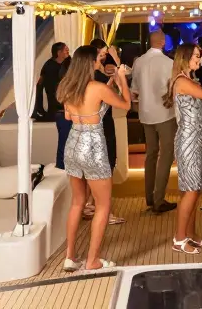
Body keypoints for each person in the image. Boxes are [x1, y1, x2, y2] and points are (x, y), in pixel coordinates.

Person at [57, 46, 131, 271]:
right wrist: (121, 81)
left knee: (78, 202)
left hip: (73, 143)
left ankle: (70, 257)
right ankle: (93, 260)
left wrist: (109, 85)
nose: (100, 62)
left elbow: (70, 115)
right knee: (103, 205)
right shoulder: (97, 87)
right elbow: (126, 105)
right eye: (98, 60)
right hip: (94, 147)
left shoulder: (67, 88)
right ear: (89, 62)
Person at [166, 44, 202, 254]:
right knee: (191, 190)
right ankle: (179, 238)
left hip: (196, 138)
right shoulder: (181, 81)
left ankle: (191, 233)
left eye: (200, 56)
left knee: (196, 188)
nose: (199, 59)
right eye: (197, 56)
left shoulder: (188, 79)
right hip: (188, 139)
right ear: (186, 57)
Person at [131, 31, 178, 214]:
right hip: (165, 113)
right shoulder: (169, 63)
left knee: (150, 154)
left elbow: (134, 89)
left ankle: (149, 197)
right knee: (166, 154)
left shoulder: (139, 61)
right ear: (164, 42)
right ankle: (159, 199)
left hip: (145, 113)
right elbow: (173, 87)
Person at [87, 38, 125, 225]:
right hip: (102, 126)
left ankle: (90, 204)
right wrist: (117, 62)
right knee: (105, 167)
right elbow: (122, 99)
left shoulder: (86, 78)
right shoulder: (97, 78)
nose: (104, 57)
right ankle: (104, 211)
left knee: (94, 169)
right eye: (102, 54)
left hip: (89, 129)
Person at [37, 43, 71, 168]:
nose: (68, 52)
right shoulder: (49, 66)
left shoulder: (68, 62)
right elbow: (45, 87)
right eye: (65, 50)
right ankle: (62, 167)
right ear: (58, 52)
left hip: (65, 107)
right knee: (64, 141)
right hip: (57, 108)